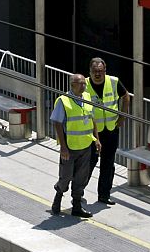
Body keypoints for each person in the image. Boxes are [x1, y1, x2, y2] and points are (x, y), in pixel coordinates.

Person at [51, 74, 101, 218]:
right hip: (70, 146)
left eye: (84, 83)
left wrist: (96, 139)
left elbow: (92, 119)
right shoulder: (64, 100)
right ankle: (58, 198)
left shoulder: (87, 97)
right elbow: (57, 123)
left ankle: (77, 207)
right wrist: (63, 146)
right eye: (80, 84)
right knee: (65, 176)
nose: (83, 86)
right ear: (72, 85)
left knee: (81, 178)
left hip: (85, 145)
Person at [85, 57, 130, 206]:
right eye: (94, 71)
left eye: (100, 71)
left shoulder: (113, 81)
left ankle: (104, 195)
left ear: (105, 71)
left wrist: (122, 117)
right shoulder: (84, 84)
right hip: (92, 132)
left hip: (111, 130)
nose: (97, 74)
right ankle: (78, 192)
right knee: (89, 162)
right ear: (90, 72)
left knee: (108, 163)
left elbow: (126, 96)